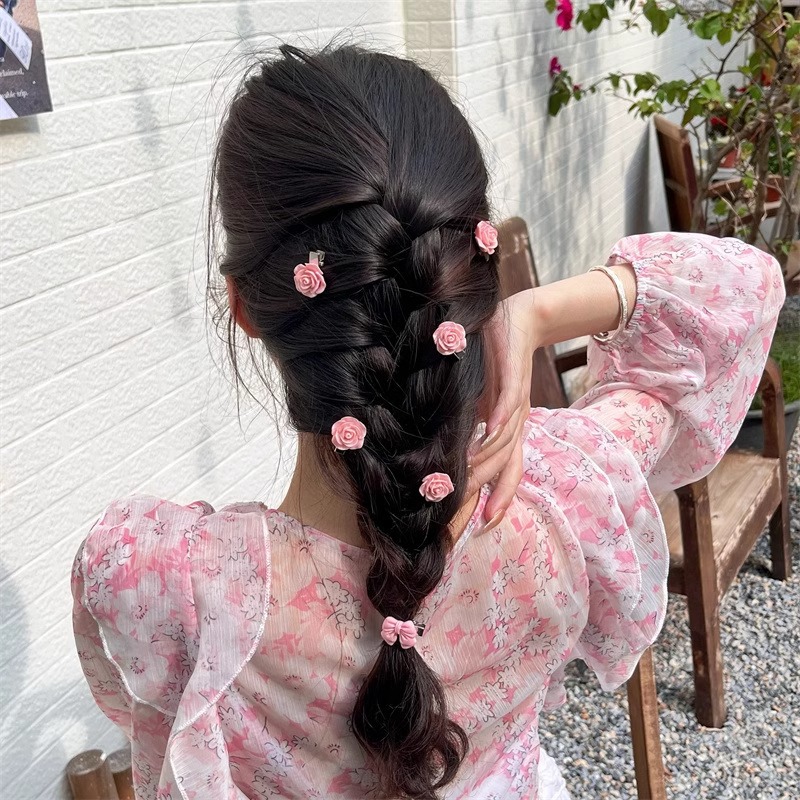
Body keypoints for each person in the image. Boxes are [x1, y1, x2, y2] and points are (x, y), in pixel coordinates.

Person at [71, 44, 784, 800]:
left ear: (245, 307)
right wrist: (534, 314)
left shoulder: (169, 587)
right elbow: (742, 289)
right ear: (467, 278)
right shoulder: (564, 501)